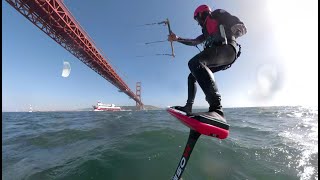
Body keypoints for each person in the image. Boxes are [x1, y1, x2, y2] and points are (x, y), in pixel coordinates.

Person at [168, 4, 247, 117]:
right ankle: (188, 107)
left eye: (196, 18)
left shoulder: (216, 14)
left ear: (201, 13)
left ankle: (217, 109)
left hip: (227, 50)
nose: (197, 22)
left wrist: (238, 27)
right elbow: (194, 42)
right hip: (220, 56)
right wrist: (177, 39)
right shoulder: (205, 32)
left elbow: (235, 22)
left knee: (194, 63)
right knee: (192, 76)